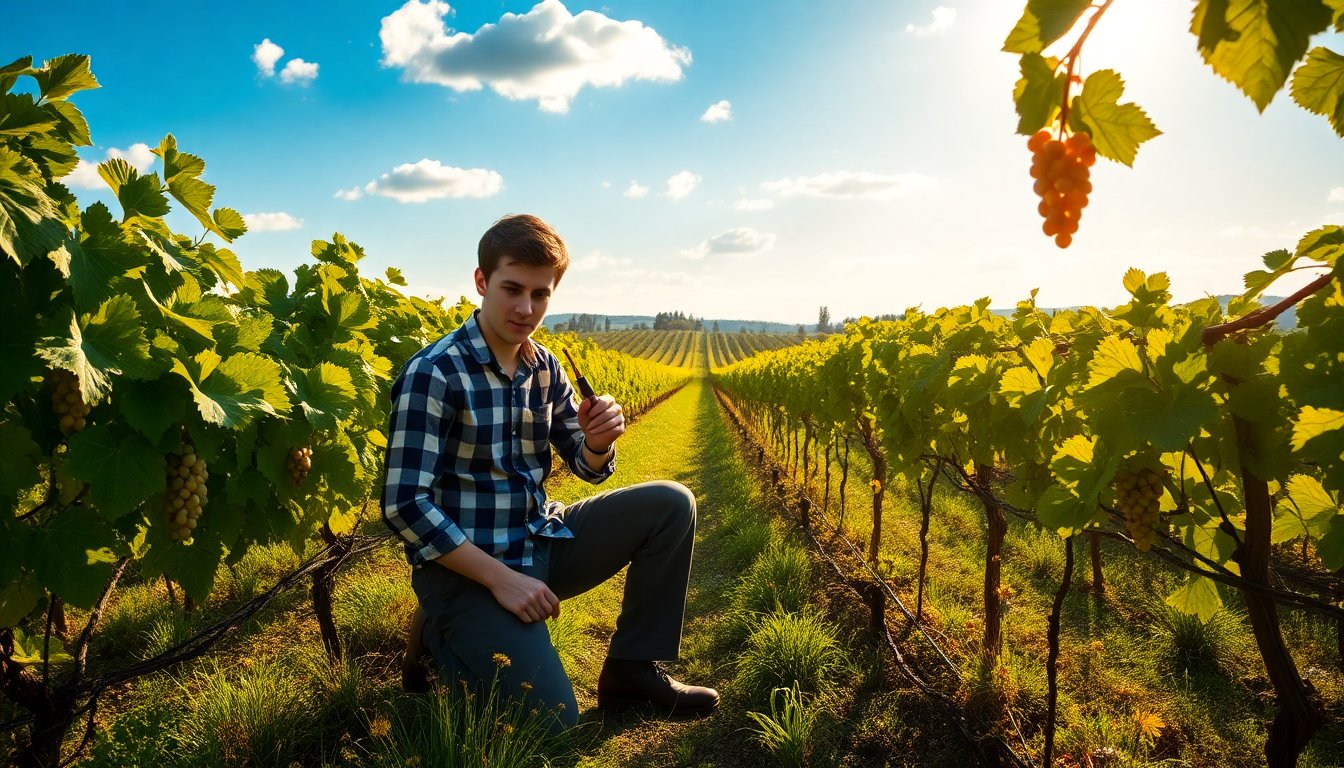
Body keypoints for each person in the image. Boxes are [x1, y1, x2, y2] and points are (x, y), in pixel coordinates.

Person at [381, 214, 719, 731]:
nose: (525, 308)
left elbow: (585, 468)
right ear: (481, 282)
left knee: (671, 503)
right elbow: (404, 505)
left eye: (541, 295)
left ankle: (630, 672)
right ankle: (437, 635)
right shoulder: (435, 373)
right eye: (512, 289)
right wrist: (503, 581)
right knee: (553, 725)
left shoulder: (544, 366)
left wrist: (600, 444)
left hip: (540, 538)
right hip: (469, 569)